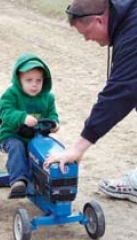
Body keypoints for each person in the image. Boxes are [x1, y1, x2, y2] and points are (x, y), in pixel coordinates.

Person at [43, 0, 137, 203]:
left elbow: (118, 94)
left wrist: (77, 149)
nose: (86, 39)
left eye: (85, 32)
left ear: (99, 20)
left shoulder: (132, 35)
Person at [0, 52, 59, 197]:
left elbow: (52, 115)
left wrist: (55, 123)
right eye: (29, 80)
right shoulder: (11, 94)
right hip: (13, 134)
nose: (34, 84)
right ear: (19, 79)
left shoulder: (48, 97)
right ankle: (18, 180)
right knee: (17, 147)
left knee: (51, 149)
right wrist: (22, 117)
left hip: (38, 136)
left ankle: (50, 181)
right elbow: (5, 111)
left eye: (39, 80)